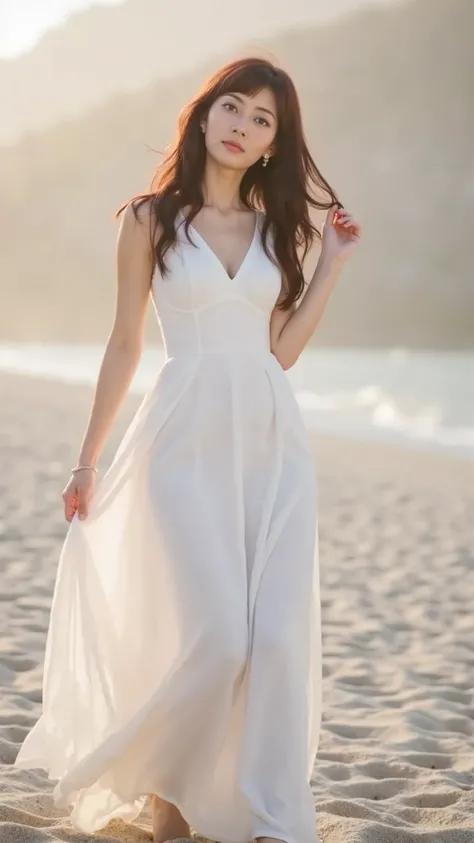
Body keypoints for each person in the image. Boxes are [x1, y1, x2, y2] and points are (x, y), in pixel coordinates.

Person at [14, 56, 361, 843]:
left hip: (272, 444)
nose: (242, 124)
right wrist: (87, 457)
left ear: (274, 142)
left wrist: (332, 266)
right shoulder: (149, 218)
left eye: (262, 119)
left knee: (272, 639)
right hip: (183, 438)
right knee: (216, 636)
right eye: (232, 107)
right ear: (204, 116)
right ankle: (166, 792)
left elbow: (280, 353)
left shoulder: (279, 229)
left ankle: (256, 812)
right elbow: (126, 342)